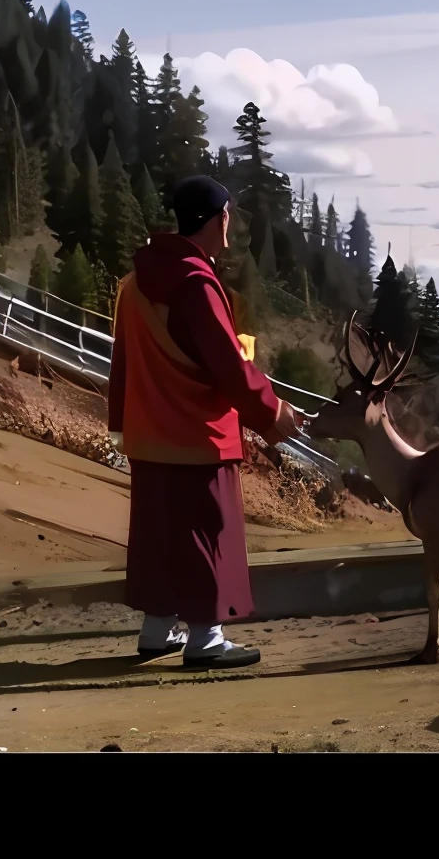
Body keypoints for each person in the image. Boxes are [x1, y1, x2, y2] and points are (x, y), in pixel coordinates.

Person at [108, 175, 300, 668]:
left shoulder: (134, 284)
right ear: (220, 220)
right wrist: (272, 411)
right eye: (229, 215)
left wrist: (119, 422)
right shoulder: (196, 283)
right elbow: (229, 366)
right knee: (208, 533)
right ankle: (206, 639)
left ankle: (156, 631)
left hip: (149, 432)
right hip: (198, 433)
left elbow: (122, 360)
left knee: (159, 536)